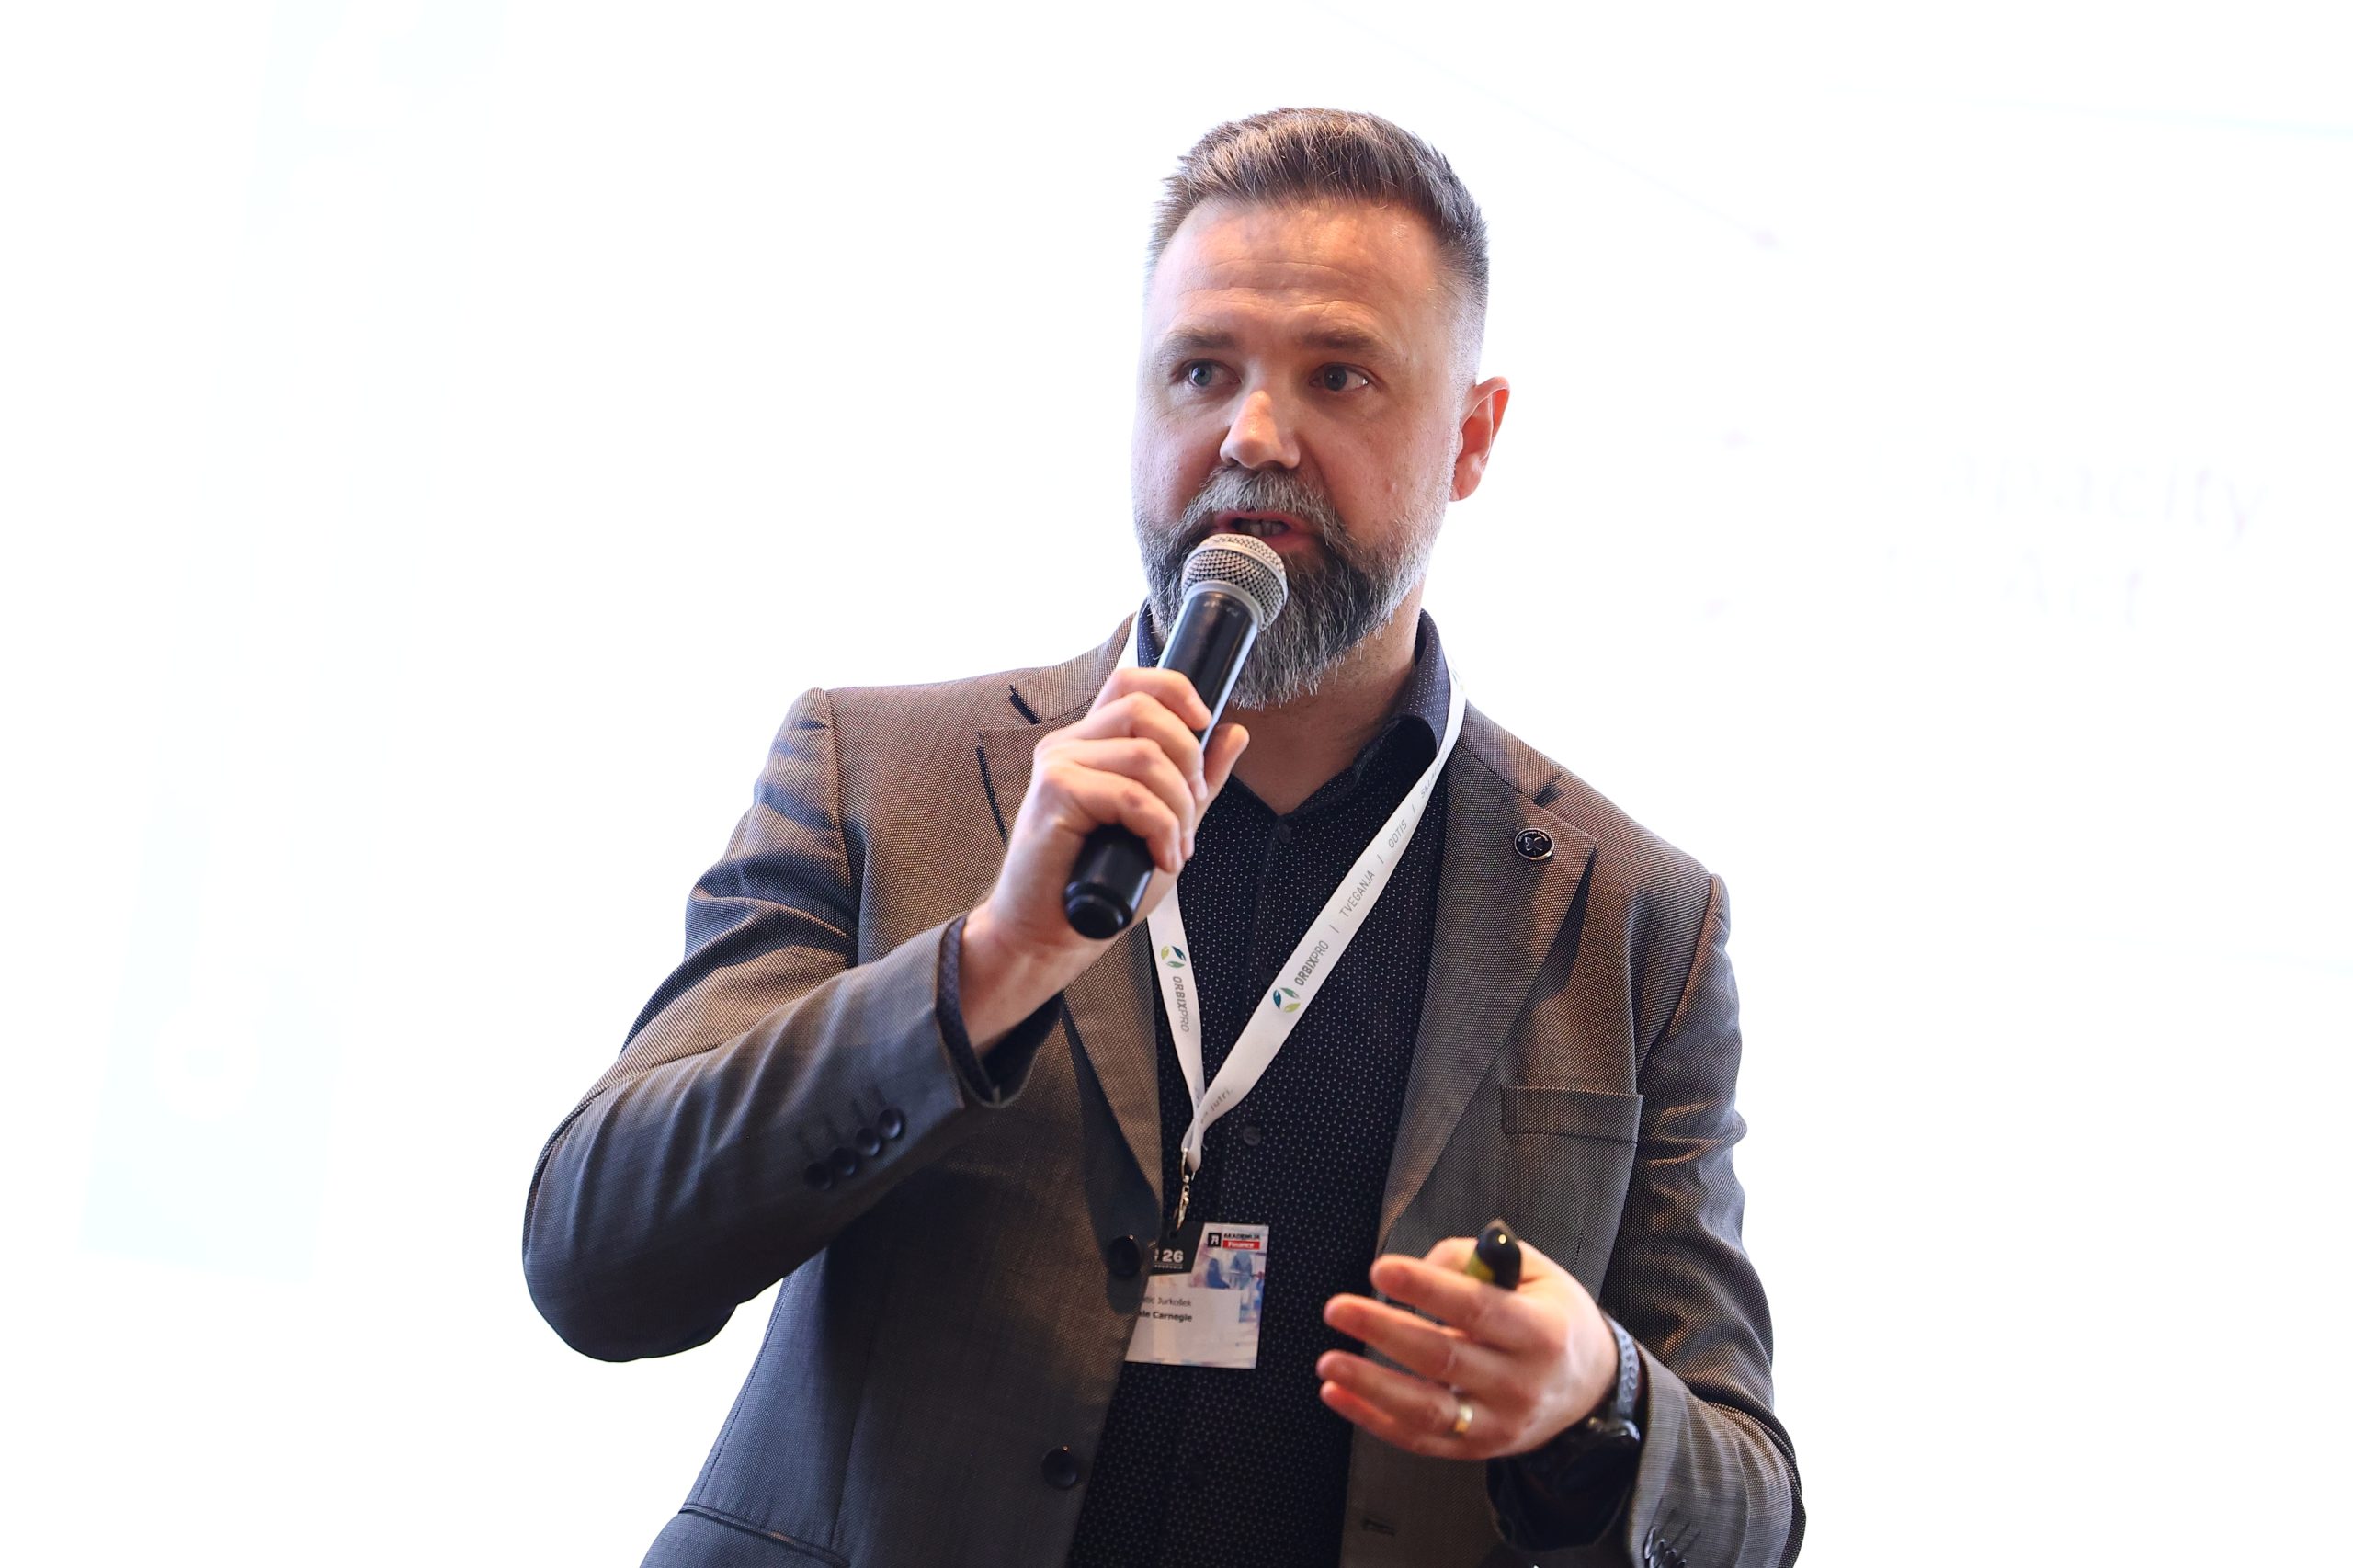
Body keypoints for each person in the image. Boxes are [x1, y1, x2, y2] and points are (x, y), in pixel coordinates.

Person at [523, 108, 1802, 1568]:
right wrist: (983, 968)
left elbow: (1749, 1507)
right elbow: (594, 1259)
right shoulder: (877, 773)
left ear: (1472, 436)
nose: (1253, 436)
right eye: (1202, 371)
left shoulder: (1634, 918)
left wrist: (1599, 1397)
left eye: (1337, 376)